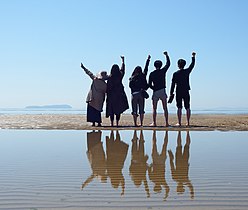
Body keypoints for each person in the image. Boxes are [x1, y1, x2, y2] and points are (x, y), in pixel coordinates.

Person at [168, 52, 196, 126]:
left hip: (178, 91)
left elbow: (173, 84)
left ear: (178, 65)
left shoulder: (175, 74)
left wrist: (171, 93)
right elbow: (192, 65)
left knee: (179, 107)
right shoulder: (187, 71)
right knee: (187, 106)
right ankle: (188, 122)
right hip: (186, 90)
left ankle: (179, 122)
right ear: (184, 65)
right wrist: (193, 57)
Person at [168, 131, 194, 199]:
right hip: (182, 161)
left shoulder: (182, 179)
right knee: (183, 145)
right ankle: (185, 132)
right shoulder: (182, 179)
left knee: (183, 145)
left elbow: (172, 166)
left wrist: (192, 193)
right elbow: (172, 166)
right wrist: (192, 193)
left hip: (181, 161)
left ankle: (183, 132)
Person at [148, 51, 170, 127]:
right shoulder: (163, 71)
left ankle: (154, 123)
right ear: (160, 65)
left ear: (154, 66)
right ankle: (166, 123)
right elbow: (168, 64)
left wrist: (153, 88)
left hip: (156, 91)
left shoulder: (152, 73)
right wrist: (167, 55)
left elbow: (149, 84)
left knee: (154, 108)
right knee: (165, 108)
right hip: (162, 90)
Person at [106, 56, 129, 127]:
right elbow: (123, 70)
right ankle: (117, 123)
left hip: (111, 96)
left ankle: (112, 123)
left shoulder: (110, 78)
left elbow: (108, 87)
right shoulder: (119, 76)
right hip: (119, 95)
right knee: (118, 109)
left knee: (111, 110)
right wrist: (123, 61)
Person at [129, 55, 151, 126]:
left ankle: (135, 123)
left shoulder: (132, 77)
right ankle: (141, 123)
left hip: (134, 94)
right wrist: (148, 60)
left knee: (134, 110)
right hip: (141, 94)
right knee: (141, 110)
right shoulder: (143, 76)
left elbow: (130, 86)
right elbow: (146, 69)